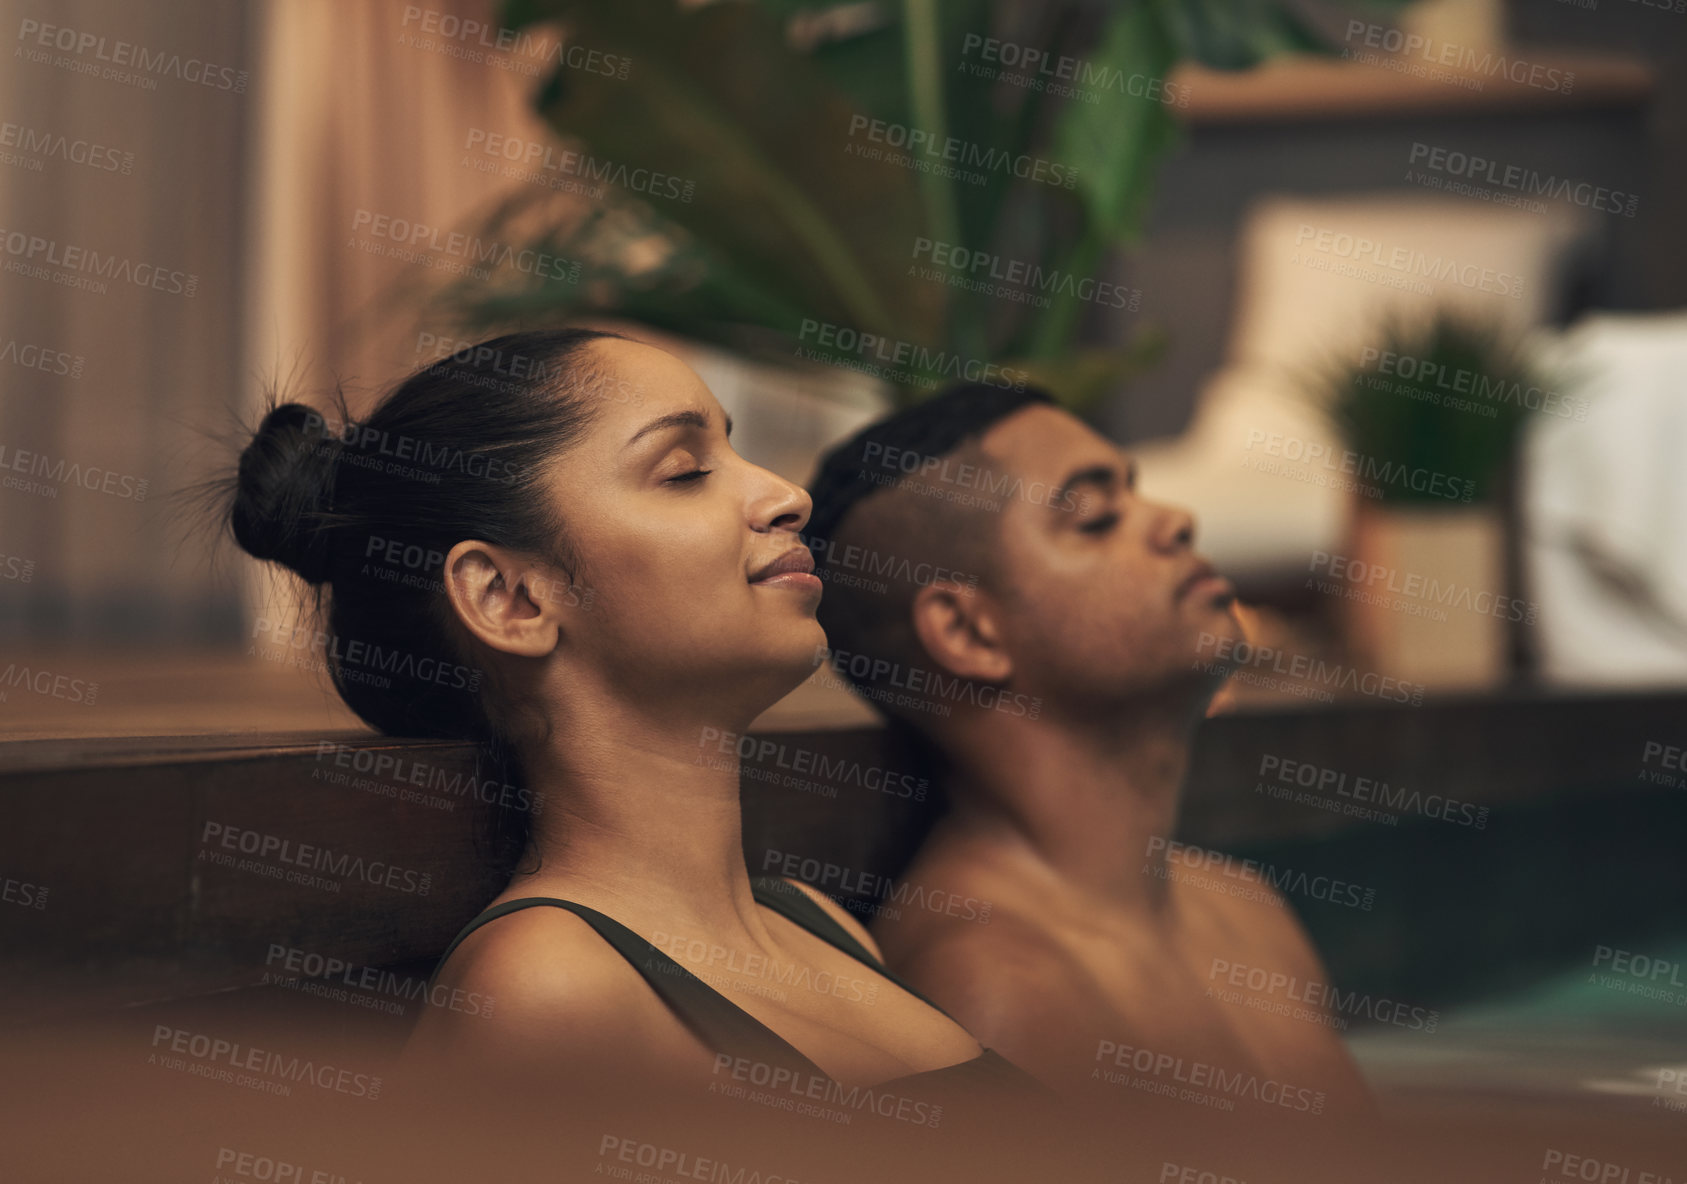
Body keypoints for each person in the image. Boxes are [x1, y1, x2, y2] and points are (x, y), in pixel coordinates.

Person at [221, 331, 1047, 1121]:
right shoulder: (545, 992)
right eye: (685, 472)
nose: (786, 495)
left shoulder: (815, 920)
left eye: (733, 449)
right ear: (509, 599)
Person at [801, 383, 1374, 1121]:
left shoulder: (1244, 909)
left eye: (1135, 494)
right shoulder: (989, 995)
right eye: (1096, 518)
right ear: (969, 632)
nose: (1174, 519)